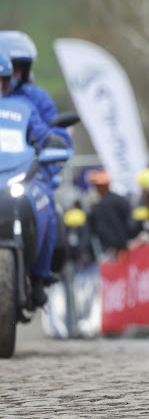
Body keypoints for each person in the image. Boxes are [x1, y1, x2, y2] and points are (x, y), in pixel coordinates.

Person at [0, 48, 69, 306]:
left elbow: (43, 132)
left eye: (1, 80)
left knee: (45, 203)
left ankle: (39, 277)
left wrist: (54, 141)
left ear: (9, 82)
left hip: (17, 179)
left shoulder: (24, 108)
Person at [0, 30, 57, 125]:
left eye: (22, 68)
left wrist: (55, 138)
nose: (17, 74)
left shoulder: (34, 99)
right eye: (14, 68)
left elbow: (52, 129)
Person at [86, 170, 137, 260]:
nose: (95, 189)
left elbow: (110, 226)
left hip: (115, 248)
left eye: (97, 186)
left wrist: (114, 245)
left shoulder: (104, 204)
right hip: (122, 244)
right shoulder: (118, 199)